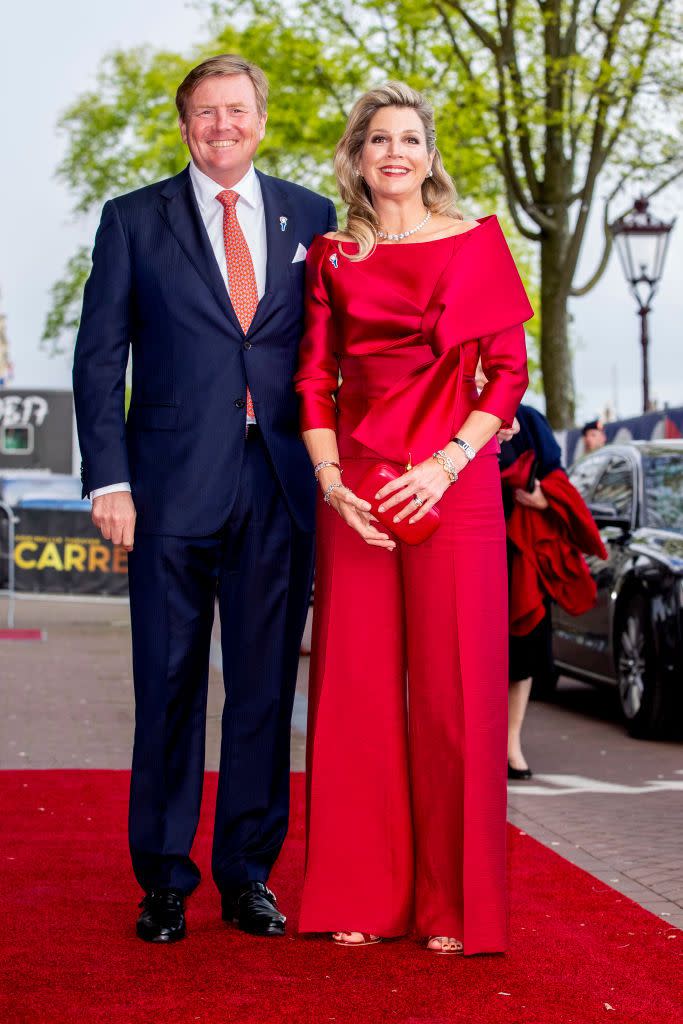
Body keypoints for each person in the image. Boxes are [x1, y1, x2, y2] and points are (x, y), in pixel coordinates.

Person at [73, 54, 336, 943]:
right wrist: (108, 478)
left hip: (279, 485)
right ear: (183, 125)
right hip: (166, 491)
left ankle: (247, 874)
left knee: (262, 692)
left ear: (261, 119)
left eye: (236, 110)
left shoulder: (315, 217)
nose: (221, 126)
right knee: (170, 685)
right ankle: (163, 879)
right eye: (204, 113)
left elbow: (341, 353)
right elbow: (100, 358)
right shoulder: (131, 221)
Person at [294, 82, 532, 955]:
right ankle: (359, 891)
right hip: (355, 485)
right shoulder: (330, 256)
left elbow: (506, 372)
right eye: (377, 139)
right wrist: (329, 481)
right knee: (353, 690)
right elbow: (312, 379)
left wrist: (445, 464)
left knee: (455, 695)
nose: (394, 152)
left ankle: (453, 909)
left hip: (454, 482)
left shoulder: (476, 243)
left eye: (409, 139)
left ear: (430, 156)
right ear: (357, 157)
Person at [499, 404, 608, 778]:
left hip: (520, 555)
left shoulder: (528, 419)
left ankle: (511, 743)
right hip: (467, 547)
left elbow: (554, 475)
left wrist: (546, 498)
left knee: (523, 652)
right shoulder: (452, 408)